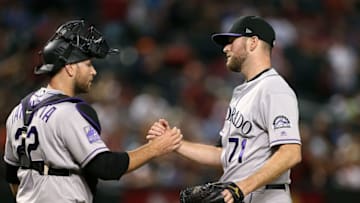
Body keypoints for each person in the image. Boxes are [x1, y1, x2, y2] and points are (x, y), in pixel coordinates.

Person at [3, 20, 182, 203]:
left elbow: (11, 176)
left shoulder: (18, 111)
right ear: (70, 68)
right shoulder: (67, 112)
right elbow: (106, 167)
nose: (94, 72)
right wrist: (155, 148)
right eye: (88, 65)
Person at [148, 16, 302, 203]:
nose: (225, 48)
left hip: (265, 196)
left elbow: (291, 152)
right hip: (243, 194)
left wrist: (241, 188)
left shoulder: (274, 89)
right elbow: (224, 154)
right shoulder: (242, 91)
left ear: (253, 42)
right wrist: (175, 144)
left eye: (232, 41)